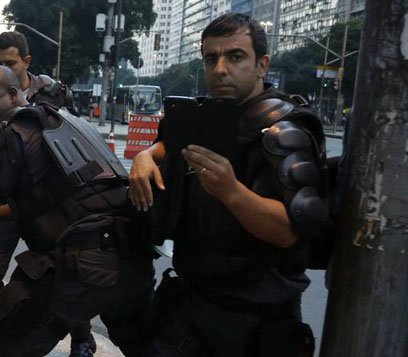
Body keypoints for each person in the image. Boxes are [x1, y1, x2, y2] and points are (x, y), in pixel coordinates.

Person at [128, 13, 325, 356]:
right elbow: (172, 146)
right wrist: (146, 155)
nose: (220, 69)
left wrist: (231, 192)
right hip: (189, 308)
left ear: (262, 65)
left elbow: (288, 232)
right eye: (211, 58)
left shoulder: (284, 131)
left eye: (235, 57)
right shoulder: (206, 116)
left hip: (254, 323)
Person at [0, 66, 154, 357]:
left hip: (83, 264)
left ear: (13, 94)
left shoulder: (6, 133)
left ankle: (82, 340)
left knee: (4, 351)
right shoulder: (69, 120)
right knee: (145, 346)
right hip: (131, 256)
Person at [0, 31, 95, 356]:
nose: (3, 67)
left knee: (69, 271)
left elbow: (77, 142)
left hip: (50, 206)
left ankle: (82, 338)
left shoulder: (52, 94)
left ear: (25, 62)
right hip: (4, 203)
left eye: (10, 62)